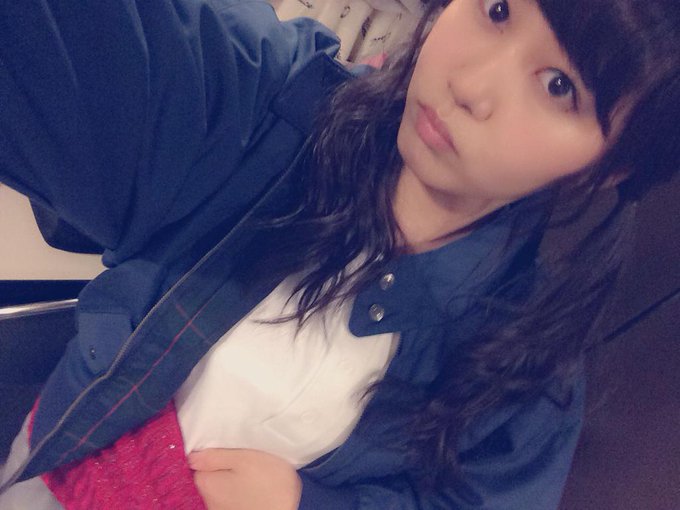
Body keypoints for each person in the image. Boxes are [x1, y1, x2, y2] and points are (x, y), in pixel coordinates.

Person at [0, 0, 678, 508]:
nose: (471, 85)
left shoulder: (529, 375)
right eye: (497, 9)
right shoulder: (271, 108)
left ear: (610, 167)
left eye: (559, 86)